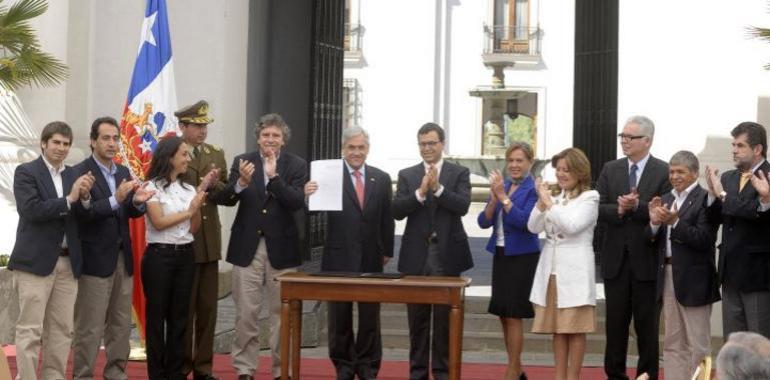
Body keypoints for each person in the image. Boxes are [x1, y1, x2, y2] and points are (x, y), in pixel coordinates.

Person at [214, 113, 307, 380]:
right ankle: (245, 369)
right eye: (265, 135)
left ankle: (281, 370)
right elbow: (225, 198)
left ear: (283, 140)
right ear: (258, 138)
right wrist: (241, 183)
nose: (270, 139)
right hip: (248, 247)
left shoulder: (297, 165)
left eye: (275, 135)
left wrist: (274, 177)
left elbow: (295, 202)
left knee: (282, 313)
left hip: (283, 249)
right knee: (246, 313)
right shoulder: (242, 162)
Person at [304, 126, 395, 379]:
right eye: (351, 147)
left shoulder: (382, 178)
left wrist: (386, 250)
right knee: (339, 317)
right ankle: (343, 366)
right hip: (338, 257)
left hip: (370, 257)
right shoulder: (328, 176)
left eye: (361, 147)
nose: (356, 152)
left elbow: (387, 219)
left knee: (369, 318)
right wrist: (308, 195)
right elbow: (313, 212)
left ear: (368, 149)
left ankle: (367, 366)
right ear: (343, 149)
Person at [8, 121, 94, 380]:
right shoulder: (26, 172)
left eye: (66, 144)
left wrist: (86, 197)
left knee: (61, 330)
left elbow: (81, 215)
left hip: (68, 265)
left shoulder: (72, 175)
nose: (61, 148)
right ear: (43, 143)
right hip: (35, 265)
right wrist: (70, 199)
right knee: (30, 330)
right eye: (56, 142)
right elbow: (31, 210)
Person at [71, 116, 153, 380]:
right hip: (95, 261)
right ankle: (83, 375)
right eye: (105, 138)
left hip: (123, 258)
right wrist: (116, 199)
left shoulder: (122, 172)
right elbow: (84, 214)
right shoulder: (80, 172)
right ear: (93, 141)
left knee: (120, 325)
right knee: (90, 326)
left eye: (115, 138)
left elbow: (126, 211)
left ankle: (116, 373)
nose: (112, 143)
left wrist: (137, 203)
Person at [392, 122, 473, 380]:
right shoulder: (407, 174)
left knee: (444, 322)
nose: (427, 148)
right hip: (416, 256)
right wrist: (420, 192)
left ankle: (442, 373)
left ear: (442, 144)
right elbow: (397, 210)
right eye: (422, 144)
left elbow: (462, 206)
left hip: (446, 254)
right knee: (417, 322)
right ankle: (417, 373)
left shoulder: (458, 173)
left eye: (431, 143)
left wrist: (437, 189)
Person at [597, 115, 671, 380]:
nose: (625, 141)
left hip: (647, 260)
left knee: (647, 327)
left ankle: (646, 375)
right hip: (615, 260)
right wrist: (619, 208)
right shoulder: (611, 169)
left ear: (647, 140)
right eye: (623, 137)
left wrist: (637, 206)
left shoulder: (663, 171)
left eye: (631, 137)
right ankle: (615, 375)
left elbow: (663, 210)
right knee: (615, 326)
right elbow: (599, 207)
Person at [646, 151, 720, 380]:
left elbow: (704, 239)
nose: (675, 176)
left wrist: (675, 222)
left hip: (695, 280)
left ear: (695, 173)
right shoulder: (666, 198)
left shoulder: (704, 198)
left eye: (681, 171)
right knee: (672, 341)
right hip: (667, 275)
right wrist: (654, 223)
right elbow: (651, 239)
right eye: (671, 171)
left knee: (698, 343)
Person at [528, 147, 598, 380]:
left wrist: (549, 204)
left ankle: (573, 376)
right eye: (558, 170)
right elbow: (533, 227)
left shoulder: (590, 198)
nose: (561, 174)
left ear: (579, 171)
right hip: (552, 270)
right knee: (558, 328)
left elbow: (572, 226)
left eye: (567, 170)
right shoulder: (555, 199)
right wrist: (541, 203)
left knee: (574, 329)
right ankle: (559, 376)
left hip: (575, 271)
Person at [142, 136, 207, 380]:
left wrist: (197, 208)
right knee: (157, 318)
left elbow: (193, 228)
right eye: (183, 154)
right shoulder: (151, 187)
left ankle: (175, 373)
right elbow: (158, 223)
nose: (188, 159)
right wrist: (188, 211)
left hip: (185, 256)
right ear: (169, 157)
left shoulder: (188, 188)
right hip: (160, 257)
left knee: (180, 317)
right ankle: (157, 374)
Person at [476, 142, 539, 380]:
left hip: (522, 257)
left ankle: (512, 370)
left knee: (514, 314)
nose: (514, 165)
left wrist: (503, 197)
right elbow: (483, 222)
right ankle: (517, 367)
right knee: (503, 313)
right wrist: (494, 198)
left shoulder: (533, 189)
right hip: (501, 254)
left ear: (530, 162)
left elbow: (524, 222)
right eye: (510, 160)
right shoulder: (505, 186)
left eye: (519, 160)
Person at [176, 101, 228, 380]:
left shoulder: (215, 154)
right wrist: (201, 185)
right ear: (182, 126)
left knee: (208, 309)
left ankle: (204, 367)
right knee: (185, 309)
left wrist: (218, 184)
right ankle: (183, 364)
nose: (202, 131)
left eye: (204, 126)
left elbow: (226, 196)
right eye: (196, 125)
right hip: (184, 239)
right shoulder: (173, 153)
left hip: (209, 243)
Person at [704, 121, 770, 338]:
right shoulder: (728, 178)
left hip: (758, 276)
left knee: (759, 345)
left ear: (757, 149)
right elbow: (716, 219)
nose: (734, 150)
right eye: (733, 145)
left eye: (740, 146)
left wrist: (723, 196)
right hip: (729, 272)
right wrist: (713, 195)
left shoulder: (767, 176)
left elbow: (754, 212)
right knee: (733, 343)